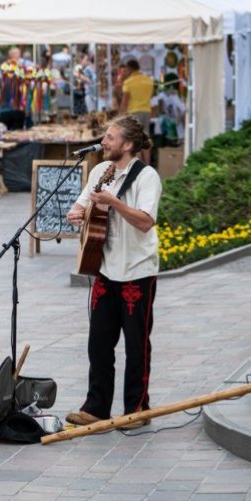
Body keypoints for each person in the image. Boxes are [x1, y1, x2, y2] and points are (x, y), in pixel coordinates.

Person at [65, 116, 162, 429]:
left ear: (128, 144)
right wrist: (76, 214)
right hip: (105, 267)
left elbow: (146, 221)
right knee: (99, 343)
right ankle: (96, 407)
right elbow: (81, 207)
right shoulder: (98, 171)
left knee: (136, 344)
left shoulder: (147, 177)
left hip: (137, 269)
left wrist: (114, 202)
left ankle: (137, 408)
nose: (103, 141)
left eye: (110, 137)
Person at [118, 59, 155, 164]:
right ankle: (147, 165)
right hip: (146, 112)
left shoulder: (128, 82)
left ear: (129, 69)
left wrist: (119, 117)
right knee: (146, 139)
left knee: (135, 140)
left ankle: (138, 166)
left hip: (134, 113)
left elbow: (124, 102)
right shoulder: (148, 80)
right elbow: (150, 96)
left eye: (126, 70)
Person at [0, 47, 25, 130]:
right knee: (17, 137)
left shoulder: (0, 80)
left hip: (4, 111)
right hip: (18, 112)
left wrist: (1, 102)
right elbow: (24, 95)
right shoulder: (21, 81)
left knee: (4, 137)